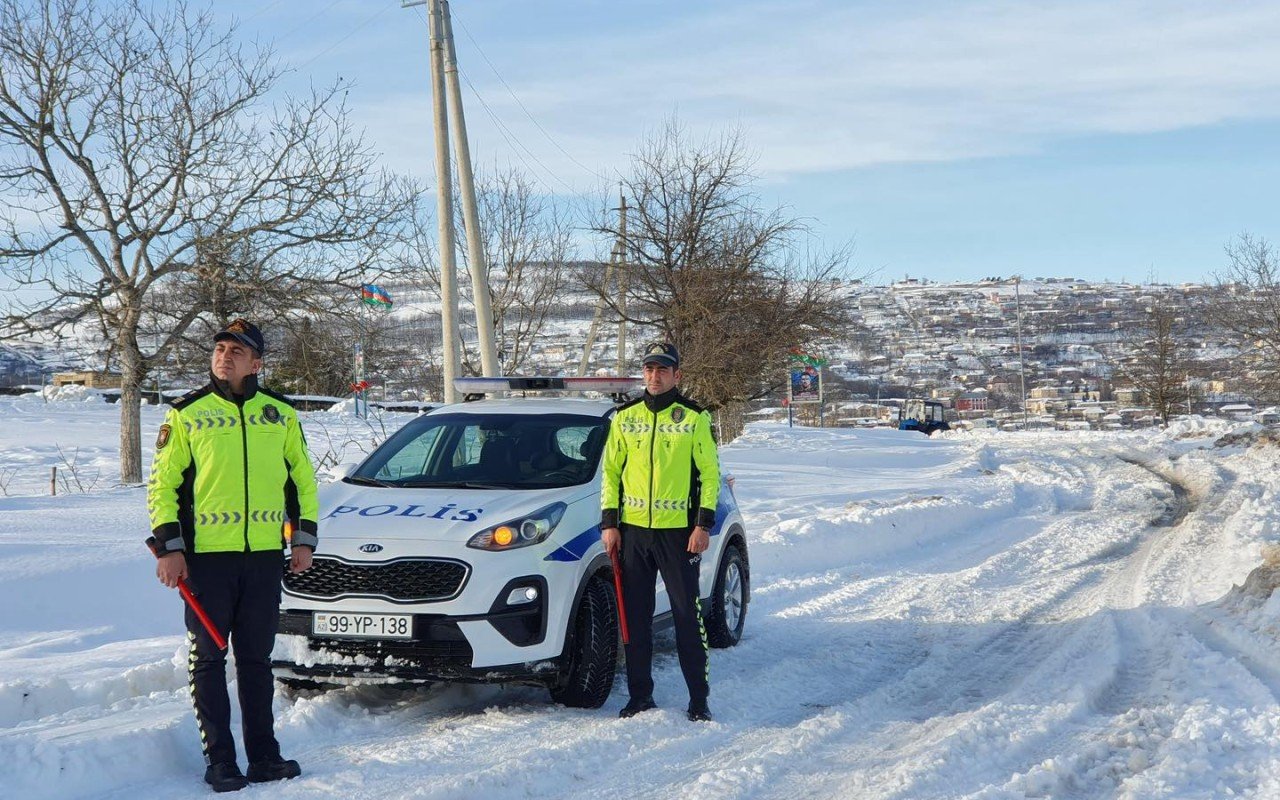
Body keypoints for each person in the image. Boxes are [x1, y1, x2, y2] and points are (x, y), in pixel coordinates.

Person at [147, 319, 319, 793]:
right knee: (207, 660)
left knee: (256, 661)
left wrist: (302, 539)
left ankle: (264, 756)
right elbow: (162, 486)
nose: (225, 356)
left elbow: (301, 480)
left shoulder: (280, 414)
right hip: (205, 563)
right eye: (220, 349)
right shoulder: (187, 413)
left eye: (236, 351)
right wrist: (170, 548)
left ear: (256, 363)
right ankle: (221, 761)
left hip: (263, 557)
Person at [600, 341, 720, 722]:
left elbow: (710, 475)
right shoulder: (624, 417)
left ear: (677, 375)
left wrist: (702, 525)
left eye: (663, 369)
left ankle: (698, 700)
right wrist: (610, 524)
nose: (655, 375)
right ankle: (640, 697)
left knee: (687, 615)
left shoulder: (694, 418)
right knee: (636, 619)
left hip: (678, 534)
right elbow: (611, 474)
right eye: (650, 369)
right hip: (634, 533)